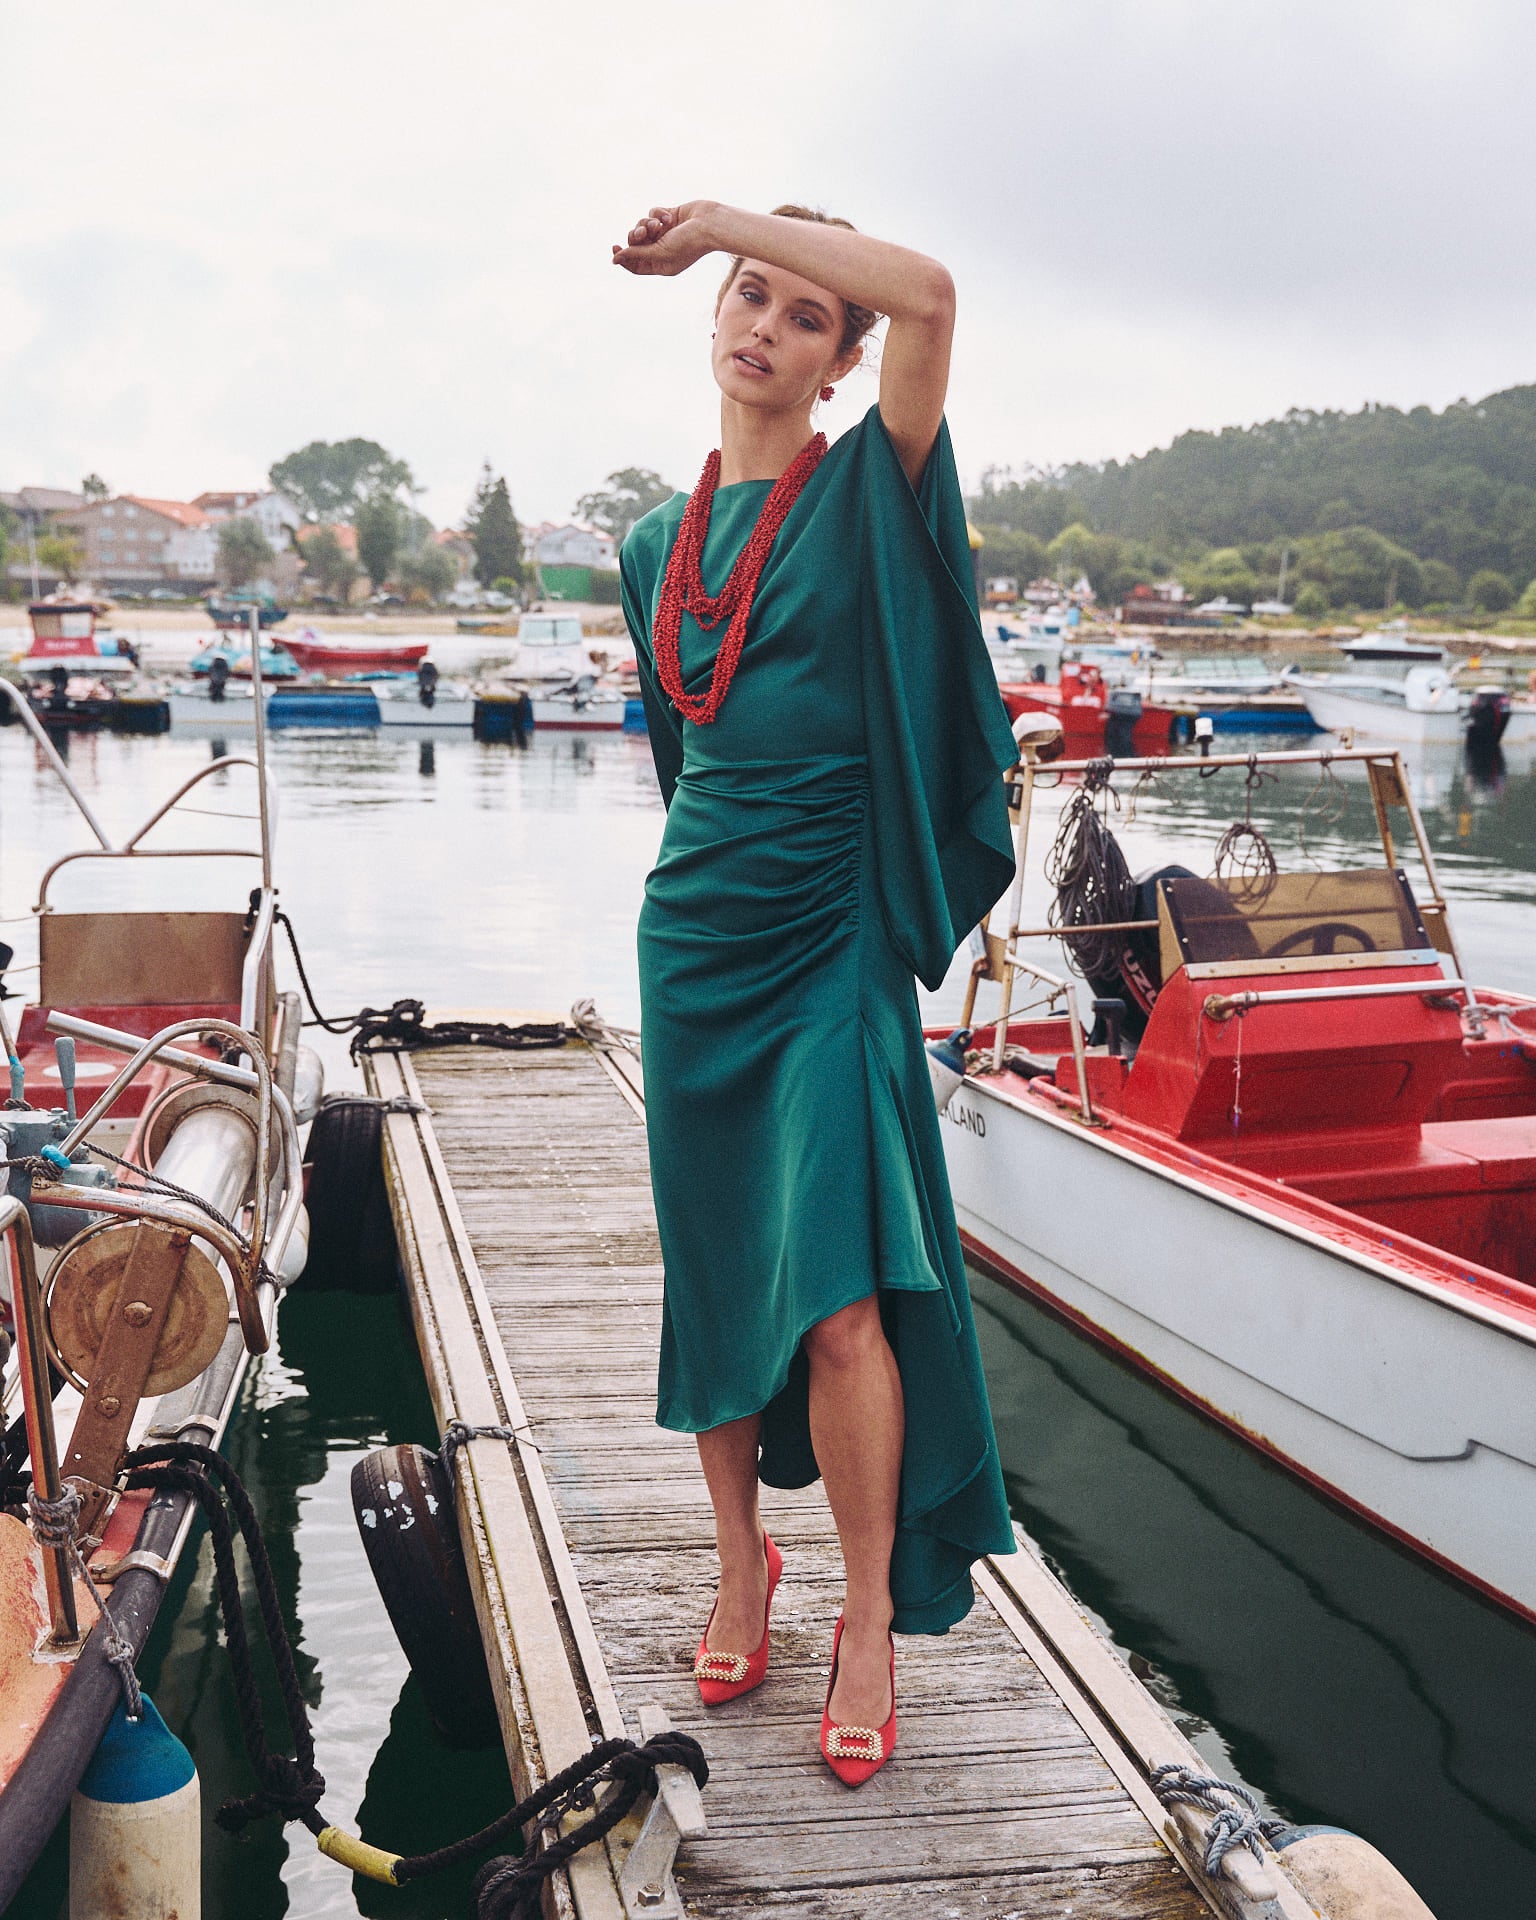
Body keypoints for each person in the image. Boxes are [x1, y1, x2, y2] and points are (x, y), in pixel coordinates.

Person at [613, 200, 1017, 1787]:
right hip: (697, 928)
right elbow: (681, 751)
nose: (762, 327)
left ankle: (861, 1617)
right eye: (745, 295)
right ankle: (737, 1562)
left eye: (800, 315)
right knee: (716, 1269)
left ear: (842, 364)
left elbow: (930, 293)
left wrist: (718, 210)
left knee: (844, 1302)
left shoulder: (873, 490)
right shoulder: (655, 544)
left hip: (830, 927)